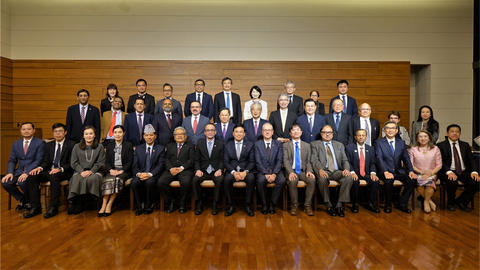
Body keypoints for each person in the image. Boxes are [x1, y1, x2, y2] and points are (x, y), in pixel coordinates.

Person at [24, 123, 75, 219]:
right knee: (33, 175)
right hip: (49, 171)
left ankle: (54, 207)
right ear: (53, 133)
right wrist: (40, 168)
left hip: (64, 172)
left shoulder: (72, 144)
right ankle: (35, 207)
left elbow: (72, 163)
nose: (57, 134)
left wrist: (59, 169)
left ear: (65, 132)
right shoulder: (48, 145)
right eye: (55, 132)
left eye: (60, 131)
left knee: (54, 176)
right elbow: (46, 161)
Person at [375, 121, 417, 213]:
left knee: (412, 180)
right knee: (388, 181)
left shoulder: (401, 143)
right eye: (388, 128)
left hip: (398, 171)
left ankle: (401, 203)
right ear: (385, 130)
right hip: (384, 171)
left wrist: (410, 171)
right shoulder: (378, 142)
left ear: (396, 130)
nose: (390, 130)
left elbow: (406, 158)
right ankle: (388, 204)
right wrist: (385, 171)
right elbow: (379, 158)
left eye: (393, 128)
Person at [311, 125, 353, 217]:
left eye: (329, 132)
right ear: (321, 134)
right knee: (322, 180)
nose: (327, 134)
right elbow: (314, 160)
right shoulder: (314, 145)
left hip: (336, 171)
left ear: (332, 134)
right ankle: (328, 204)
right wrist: (320, 170)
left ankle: (339, 205)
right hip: (323, 170)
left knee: (348, 177)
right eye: (324, 132)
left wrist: (346, 169)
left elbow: (344, 160)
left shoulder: (339, 145)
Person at [2, 122, 45, 212]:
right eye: (24, 129)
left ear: (34, 130)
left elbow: (38, 160)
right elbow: (12, 160)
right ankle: (23, 199)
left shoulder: (40, 142)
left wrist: (27, 173)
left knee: (22, 183)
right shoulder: (16, 143)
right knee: (5, 183)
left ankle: (30, 202)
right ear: (21, 131)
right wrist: (10, 172)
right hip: (19, 171)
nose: (26, 131)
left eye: (29, 129)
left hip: (32, 171)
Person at [437, 124, 479, 212]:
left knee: (476, 182)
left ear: (460, 134)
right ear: (447, 133)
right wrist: (448, 172)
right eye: (452, 131)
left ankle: (462, 201)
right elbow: (440, 161)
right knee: (452, 182)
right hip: (447, 171)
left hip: (463, 171)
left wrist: (474, 171)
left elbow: (471, 160)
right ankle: (450, 203)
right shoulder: (441, 145)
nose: (454, 133)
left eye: (457, 132)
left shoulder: (465, 145)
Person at [67, 126, 105, 215]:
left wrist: (91, 171)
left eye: (91, 134)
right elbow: (74, 162)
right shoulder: (76, 147)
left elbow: (100, 163)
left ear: (95, 135)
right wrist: (81, 171)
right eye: (86, 134)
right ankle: (75, 202)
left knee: (91, 179)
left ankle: (82, 202)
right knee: (77, 179)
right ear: (83, 136)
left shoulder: (100, 147)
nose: (89, 136)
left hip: (95, 171)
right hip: (80, 171)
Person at [158, 127, 195, 214]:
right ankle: (171, 202)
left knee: (186, 182)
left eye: (181, 134)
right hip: (171, 170)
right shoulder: (170, 146)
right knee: (161, 182)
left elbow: (191, 160)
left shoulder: (190, 146)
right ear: (174, 137)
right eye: (177, 134)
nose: (179, 136)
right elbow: (166, 159)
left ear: (185, 136)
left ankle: (183, 203)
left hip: (185, 170)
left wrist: (181, 168)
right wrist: (171, 168)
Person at [99, 125, 134, 217]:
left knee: (116, 180)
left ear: (123, 133)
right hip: (112, 170)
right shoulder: (109, 146)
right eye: (115, 132)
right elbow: (107, 162)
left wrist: (121, 171)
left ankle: (110, 204)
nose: (117, 134)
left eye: (120, 132)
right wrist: (111, 170)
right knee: (108, 180)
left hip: (124, 171)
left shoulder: (128, 145)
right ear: (112, 134)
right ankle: (103, 205)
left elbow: (130, 161)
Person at [131, 124, 165, 215]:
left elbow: (160, 165)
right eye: (146, 135)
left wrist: (149, 174)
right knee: (134, 182)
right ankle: (140, 205)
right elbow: (135, 165)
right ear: (143, 137)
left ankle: (149, 205)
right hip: (141, 174)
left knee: (149, 182)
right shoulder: (138, 148)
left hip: (153, 174)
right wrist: (138, 174)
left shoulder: (160, 148)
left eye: (151, 135)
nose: (149, 137)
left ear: (155, 136)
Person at [223, 124, 256, 217]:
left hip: (246, 170)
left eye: (241, 132)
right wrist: (233, 172)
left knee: (251, 179)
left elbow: (252, 162)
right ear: (233, 133)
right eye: (236, 132)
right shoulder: (227, 145)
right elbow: (225, 162)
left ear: (244, 134)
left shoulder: (250, 145)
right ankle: (231, 206)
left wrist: (245, 172)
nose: (238, 134)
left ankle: (248, 205)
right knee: (227, 180)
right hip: (232, 171)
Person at [283, 123, 316, 216]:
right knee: (293, 181)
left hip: (303, 171)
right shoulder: (286, 145)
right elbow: (285, 161)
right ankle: (294, 205)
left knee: (312, 180)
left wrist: (309, 171)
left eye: (298, 130)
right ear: (290, 133)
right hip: (291, 171)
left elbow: (309, 161)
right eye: (293, 130)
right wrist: (290, 172)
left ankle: (307, 205)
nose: (296, 131)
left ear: (301, 132)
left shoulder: (307, 146)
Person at [345, 129, 380, 213]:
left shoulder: (370, 149)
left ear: (366, 137)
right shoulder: (349, 148)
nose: (361, 137)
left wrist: (373, 173)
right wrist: (352, 173)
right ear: (355, 137)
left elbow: (372, 163)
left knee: (375, 181)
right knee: (354, 181)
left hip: (366, 173)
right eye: (359, 135)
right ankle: (355, 203)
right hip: (354, 173)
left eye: (363, 135)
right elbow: (347, 162)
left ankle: (370, 203)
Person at [192, 123, 224, 215]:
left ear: (215, 132)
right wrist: (197, 170)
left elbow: (222, 160)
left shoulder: (220, 144)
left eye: (212, 130)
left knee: (220, 180)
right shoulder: (200, 143)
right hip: (203, 171)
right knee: (195, 180)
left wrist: (220, 170)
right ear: (204, 132)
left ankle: (215, 204)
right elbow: (197, 159)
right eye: (208, 130)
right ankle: (199, 203)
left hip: (215, 171)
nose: (210, 132)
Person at [254, 123, 286, 215]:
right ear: (262, 132)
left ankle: (272, 203)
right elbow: (258, 161)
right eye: (265, 130)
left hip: (276, 171)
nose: (267, 132)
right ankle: (264, 204)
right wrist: (265, 174)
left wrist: (274, 174)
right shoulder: (257, 144)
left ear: (273, 132)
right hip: (262, 171)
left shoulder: (278, 143)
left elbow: (280, 160)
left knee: (282, 180)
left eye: (269, 130)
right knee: (260, 181)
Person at [409, 130, 441, 213]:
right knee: (419, 181)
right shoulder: (413, 149)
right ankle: (429, 201)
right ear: (417, 139)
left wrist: (430, 173)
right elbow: (411, 165)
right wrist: (422, 172)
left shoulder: (435, 148)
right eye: (420, 136)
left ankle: (426, 201)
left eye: (425, 136)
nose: (423, 138)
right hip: (418, 172)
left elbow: (439, 165)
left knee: (429, 182)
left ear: (429, 138)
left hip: (432, 172)